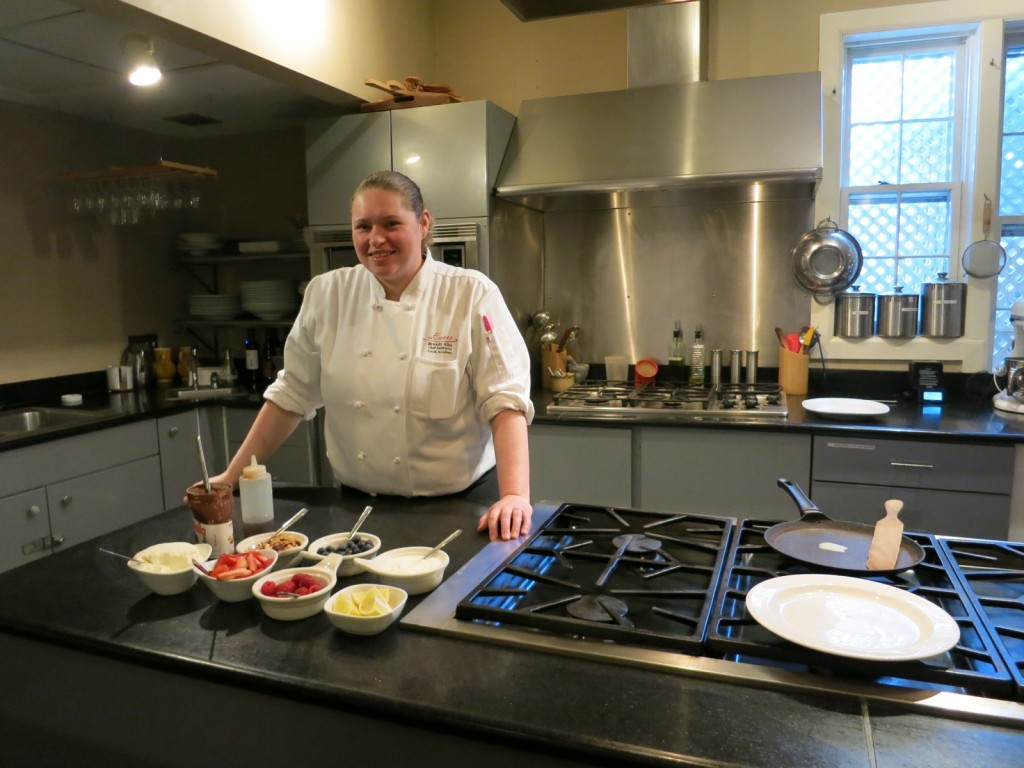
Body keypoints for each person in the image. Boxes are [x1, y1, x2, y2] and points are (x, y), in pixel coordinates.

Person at [209, 171, 534, 540]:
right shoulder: (327, 294)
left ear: (423, 223)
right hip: (355, 510)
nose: (375, 239)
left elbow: (505, 401)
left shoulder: (471, 294)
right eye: (362, 227)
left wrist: (514, 495)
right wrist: (230, 478)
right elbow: (292, 395)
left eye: (391, 223)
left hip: (459, 507)